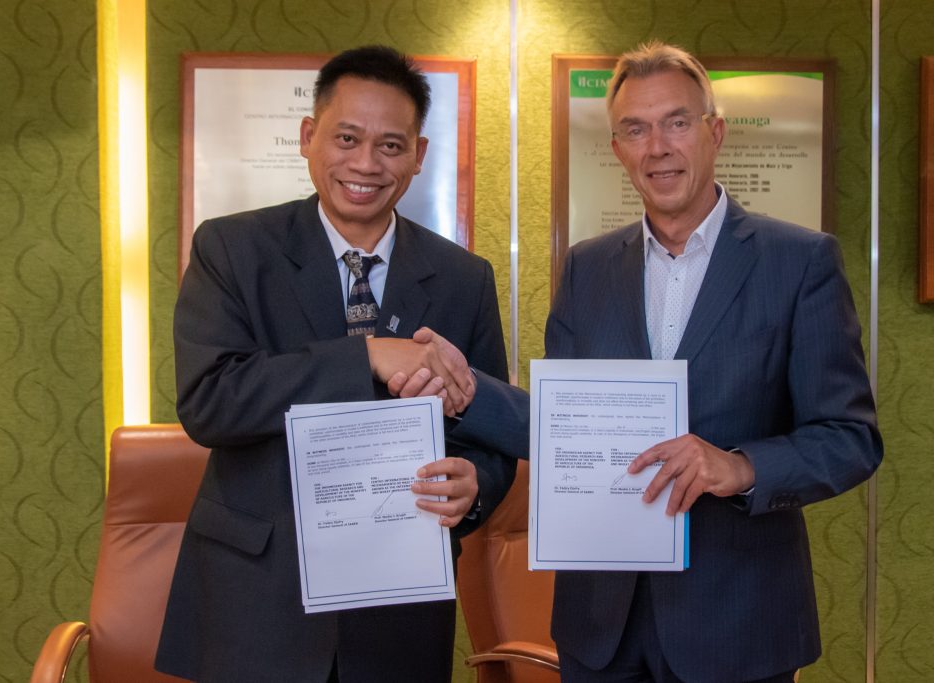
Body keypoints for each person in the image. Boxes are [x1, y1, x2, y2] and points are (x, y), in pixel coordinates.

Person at [390, 42, 882, 683]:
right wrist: (468, 389)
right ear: (617, 148)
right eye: (635, 129)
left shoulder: (799, 263)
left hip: (738, 623)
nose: (658, 147)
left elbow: (850, 438)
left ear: (716, 132)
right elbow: (561, 426)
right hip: (601, 628)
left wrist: (737, 467)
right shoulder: (587, 268)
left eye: (677, 122)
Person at [155, 45, 514, 682]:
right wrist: (368, 354)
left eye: (391, 146)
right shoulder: (233, 248)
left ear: (419, 156)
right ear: (308, 136)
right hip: (258, 600)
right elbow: (211, 401)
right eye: (346, 137)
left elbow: (488, 432)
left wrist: (476, 486)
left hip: (399, 604)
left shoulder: (463, 278)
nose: (365, 164)